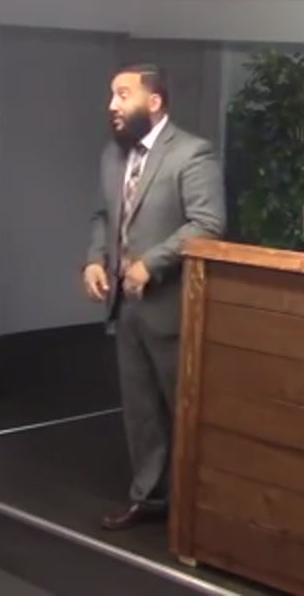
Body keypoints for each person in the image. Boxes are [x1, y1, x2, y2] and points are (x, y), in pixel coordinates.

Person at [82, 62, 226, 530]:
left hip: (173, 307)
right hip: (126, 306)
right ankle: (149, 497)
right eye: (112, 95)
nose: (112, 105)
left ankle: (200, 508)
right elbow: (104, 216)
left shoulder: (192, 153)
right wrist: (94, 259)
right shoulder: (113, 154)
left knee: (185, 408)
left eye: (123, 95)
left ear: (155, 101)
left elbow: (208, 224)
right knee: (140, 411)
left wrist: (152, 262)